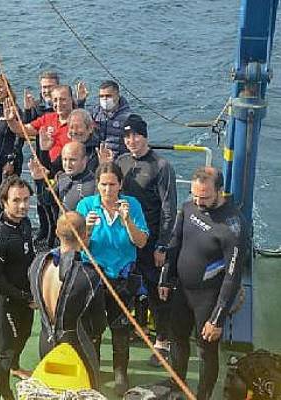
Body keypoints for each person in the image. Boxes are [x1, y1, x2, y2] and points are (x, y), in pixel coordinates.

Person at [159, 167, 246, 400]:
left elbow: (232, 275)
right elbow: (175, 243)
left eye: (204, 197)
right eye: (194, 194)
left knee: (206, 349)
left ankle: (203, 395)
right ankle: (176, 381)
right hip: (182, 290)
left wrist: (217, 319)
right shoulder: (189, 207)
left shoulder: (232, 227)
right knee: (177, 337)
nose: (198, 201)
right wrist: (166, 278)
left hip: (208, 297)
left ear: (219, 191)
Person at [75, 162, 149, 396]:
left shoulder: (132, 205)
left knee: (121, 329)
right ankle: (94, 369)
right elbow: (79, 247)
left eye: (112, 184)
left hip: (122, 278)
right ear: (97, 185)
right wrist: (85, 230)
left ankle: (120, 372)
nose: (108, 190)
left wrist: (127, 220)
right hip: (95, 278)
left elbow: (141, 242)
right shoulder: (86, 205)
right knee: (93, 328)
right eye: (103, 185)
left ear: (120, 185)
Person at [115, 114, 177, 366]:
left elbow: (169, 208)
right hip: (126, 237)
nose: (131, 140)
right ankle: (136, 327)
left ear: (145, 136)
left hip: (151, 239)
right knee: (127, 284)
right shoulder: (121, 161)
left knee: (155, 289)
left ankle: (163, 340)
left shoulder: (161, 166)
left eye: (136, 135)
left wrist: (162, 244)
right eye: (127, 136)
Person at [28, 211, 106, 388]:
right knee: (88, 388)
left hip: (46, 340)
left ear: (56, 232)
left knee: (51, 390)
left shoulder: (37, 263)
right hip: (76, 344)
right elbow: (99, 322)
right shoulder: (90, 274)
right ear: (85, 234)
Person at [0, 175, 37, 400]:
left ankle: (16, 367)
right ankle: (5, 394)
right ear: (4, 202)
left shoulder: (25, 224)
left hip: (24, 298)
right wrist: (26, 297)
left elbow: (29, 257)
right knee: (4, 352)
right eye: (16, 200)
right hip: (5, 301)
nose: (23, 205)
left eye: (26, 199)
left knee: (23, 335)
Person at [7, 84, 75, 244]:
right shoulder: (47, 118)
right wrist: (11, 121)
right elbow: (21, 130)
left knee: (65, 213)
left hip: (68, 175)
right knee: (47, 207)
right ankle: (51, 239)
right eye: (56, 100)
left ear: (72, 100)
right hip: (45, 171)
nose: (59, 103)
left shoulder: (78, 120)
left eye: (63, 99)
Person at [29, 141, 96, 214]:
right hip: (62, 224)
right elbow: (45, 200)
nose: (68, 164)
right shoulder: (61, 177)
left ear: (84, 160)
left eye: (73, 160)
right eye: (65, 159)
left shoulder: (95, 183)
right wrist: (39, 181)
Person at [23, 71, 88, 121]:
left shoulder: (69, 104)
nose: (47, 91)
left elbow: (80, 122)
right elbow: (26, 128)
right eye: (44, 87)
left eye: (50, 87)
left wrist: (81, 102)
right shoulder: (35, 106)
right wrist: (27, 110)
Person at [91, 80, 131, 159]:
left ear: (117, 95)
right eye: (101, 96)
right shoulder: (94, 113)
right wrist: (80, 102)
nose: (105, 99)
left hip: (118, 160)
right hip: (97, 158)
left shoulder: (128, 117)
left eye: (108, 96)